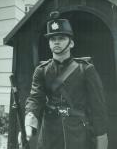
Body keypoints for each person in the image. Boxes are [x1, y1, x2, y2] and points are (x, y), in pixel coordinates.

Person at [23, 11, 108, 149]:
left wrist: (101, 138)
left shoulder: (85, 69)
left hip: (78, 134)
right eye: (52, 39)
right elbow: (35, 99)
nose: (56, 42)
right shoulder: (41, 70)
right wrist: (29, 121)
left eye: (61, 38)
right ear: (49, 43)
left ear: (71, 43)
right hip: (49, 135)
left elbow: (98, 107)